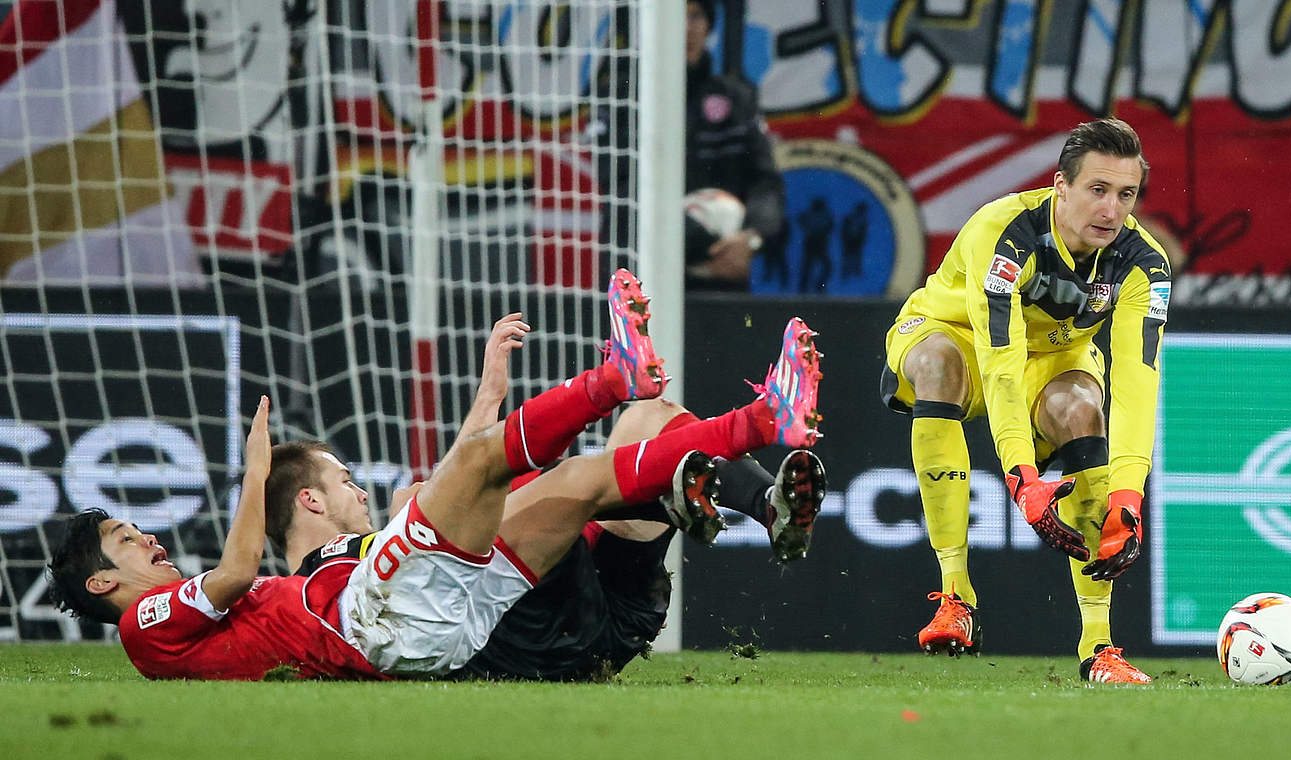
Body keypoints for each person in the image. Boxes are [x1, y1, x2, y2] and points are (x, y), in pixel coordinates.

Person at [47, 269, 824, 680]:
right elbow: (237, 566)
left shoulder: (283, 596)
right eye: (124, 539)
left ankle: (757, 430)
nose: (146, 536)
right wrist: (253, 473)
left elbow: (454, 507)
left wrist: (488, 394)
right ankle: (621, 387)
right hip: (404, 624)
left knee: (580, 473)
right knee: (440, 488)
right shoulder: (152, 627)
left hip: (445, 611)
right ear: (102, 584)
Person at [272, 312, 828, 682]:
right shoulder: (310, 597)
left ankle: (768, 508)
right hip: (520, 638)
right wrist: (255, 482)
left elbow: (456, 493)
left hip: (605, 618)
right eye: (342, 480)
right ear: (309, 502)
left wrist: (489, 395)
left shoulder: (377, 558)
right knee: (430, 498)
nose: (355, 488)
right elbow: (447, 502)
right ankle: (671, 470)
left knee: (648, 417)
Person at [880, 118, 1170, 683]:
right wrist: (1021, 474)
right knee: (940, 364)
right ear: (1060, 185)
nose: (1112, 211)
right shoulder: (1005, 232)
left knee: (1084, 405)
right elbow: (1000, 360)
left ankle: (1100, 648)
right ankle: (955, 597)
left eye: (1126, 194)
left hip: (1055, 357)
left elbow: (1138, 379)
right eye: (1098, 190)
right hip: (956, 334)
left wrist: (1129, 494)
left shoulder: (1142, 262)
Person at [683, 0, 785, 291]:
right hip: (646, 272)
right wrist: (702, 242)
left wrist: (749, 239)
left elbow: (765, 182)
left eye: (696, 15)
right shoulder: (627, 100)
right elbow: (622, 189)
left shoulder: (736, 99)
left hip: (723, 272)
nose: (687, 28)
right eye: (676, 16)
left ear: (709, 26)